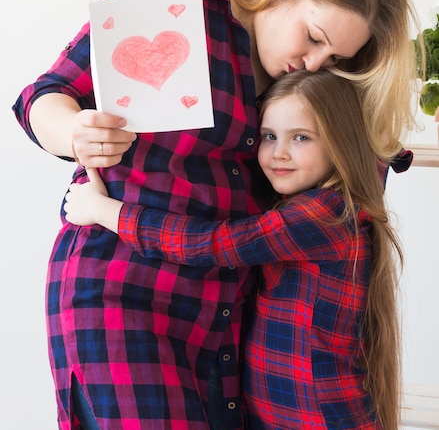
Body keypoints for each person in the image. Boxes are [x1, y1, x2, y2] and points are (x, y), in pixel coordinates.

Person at [13, 0, 419, 430]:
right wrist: (73, 133)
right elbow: (43, 96)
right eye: (314, 38)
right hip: (123, 294)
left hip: (227, 322)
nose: (315, 64)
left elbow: (349, 180)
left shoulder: (315, 85)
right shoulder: (168, 11)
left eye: (334, 59)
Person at [64, 68, 403, 430]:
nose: (279, 153)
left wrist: (106, 211)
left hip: (324, 419)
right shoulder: (296, 203)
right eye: (269, 136)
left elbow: (216, 244)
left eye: (301, 138)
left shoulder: (329, 213)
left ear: (342, 142)